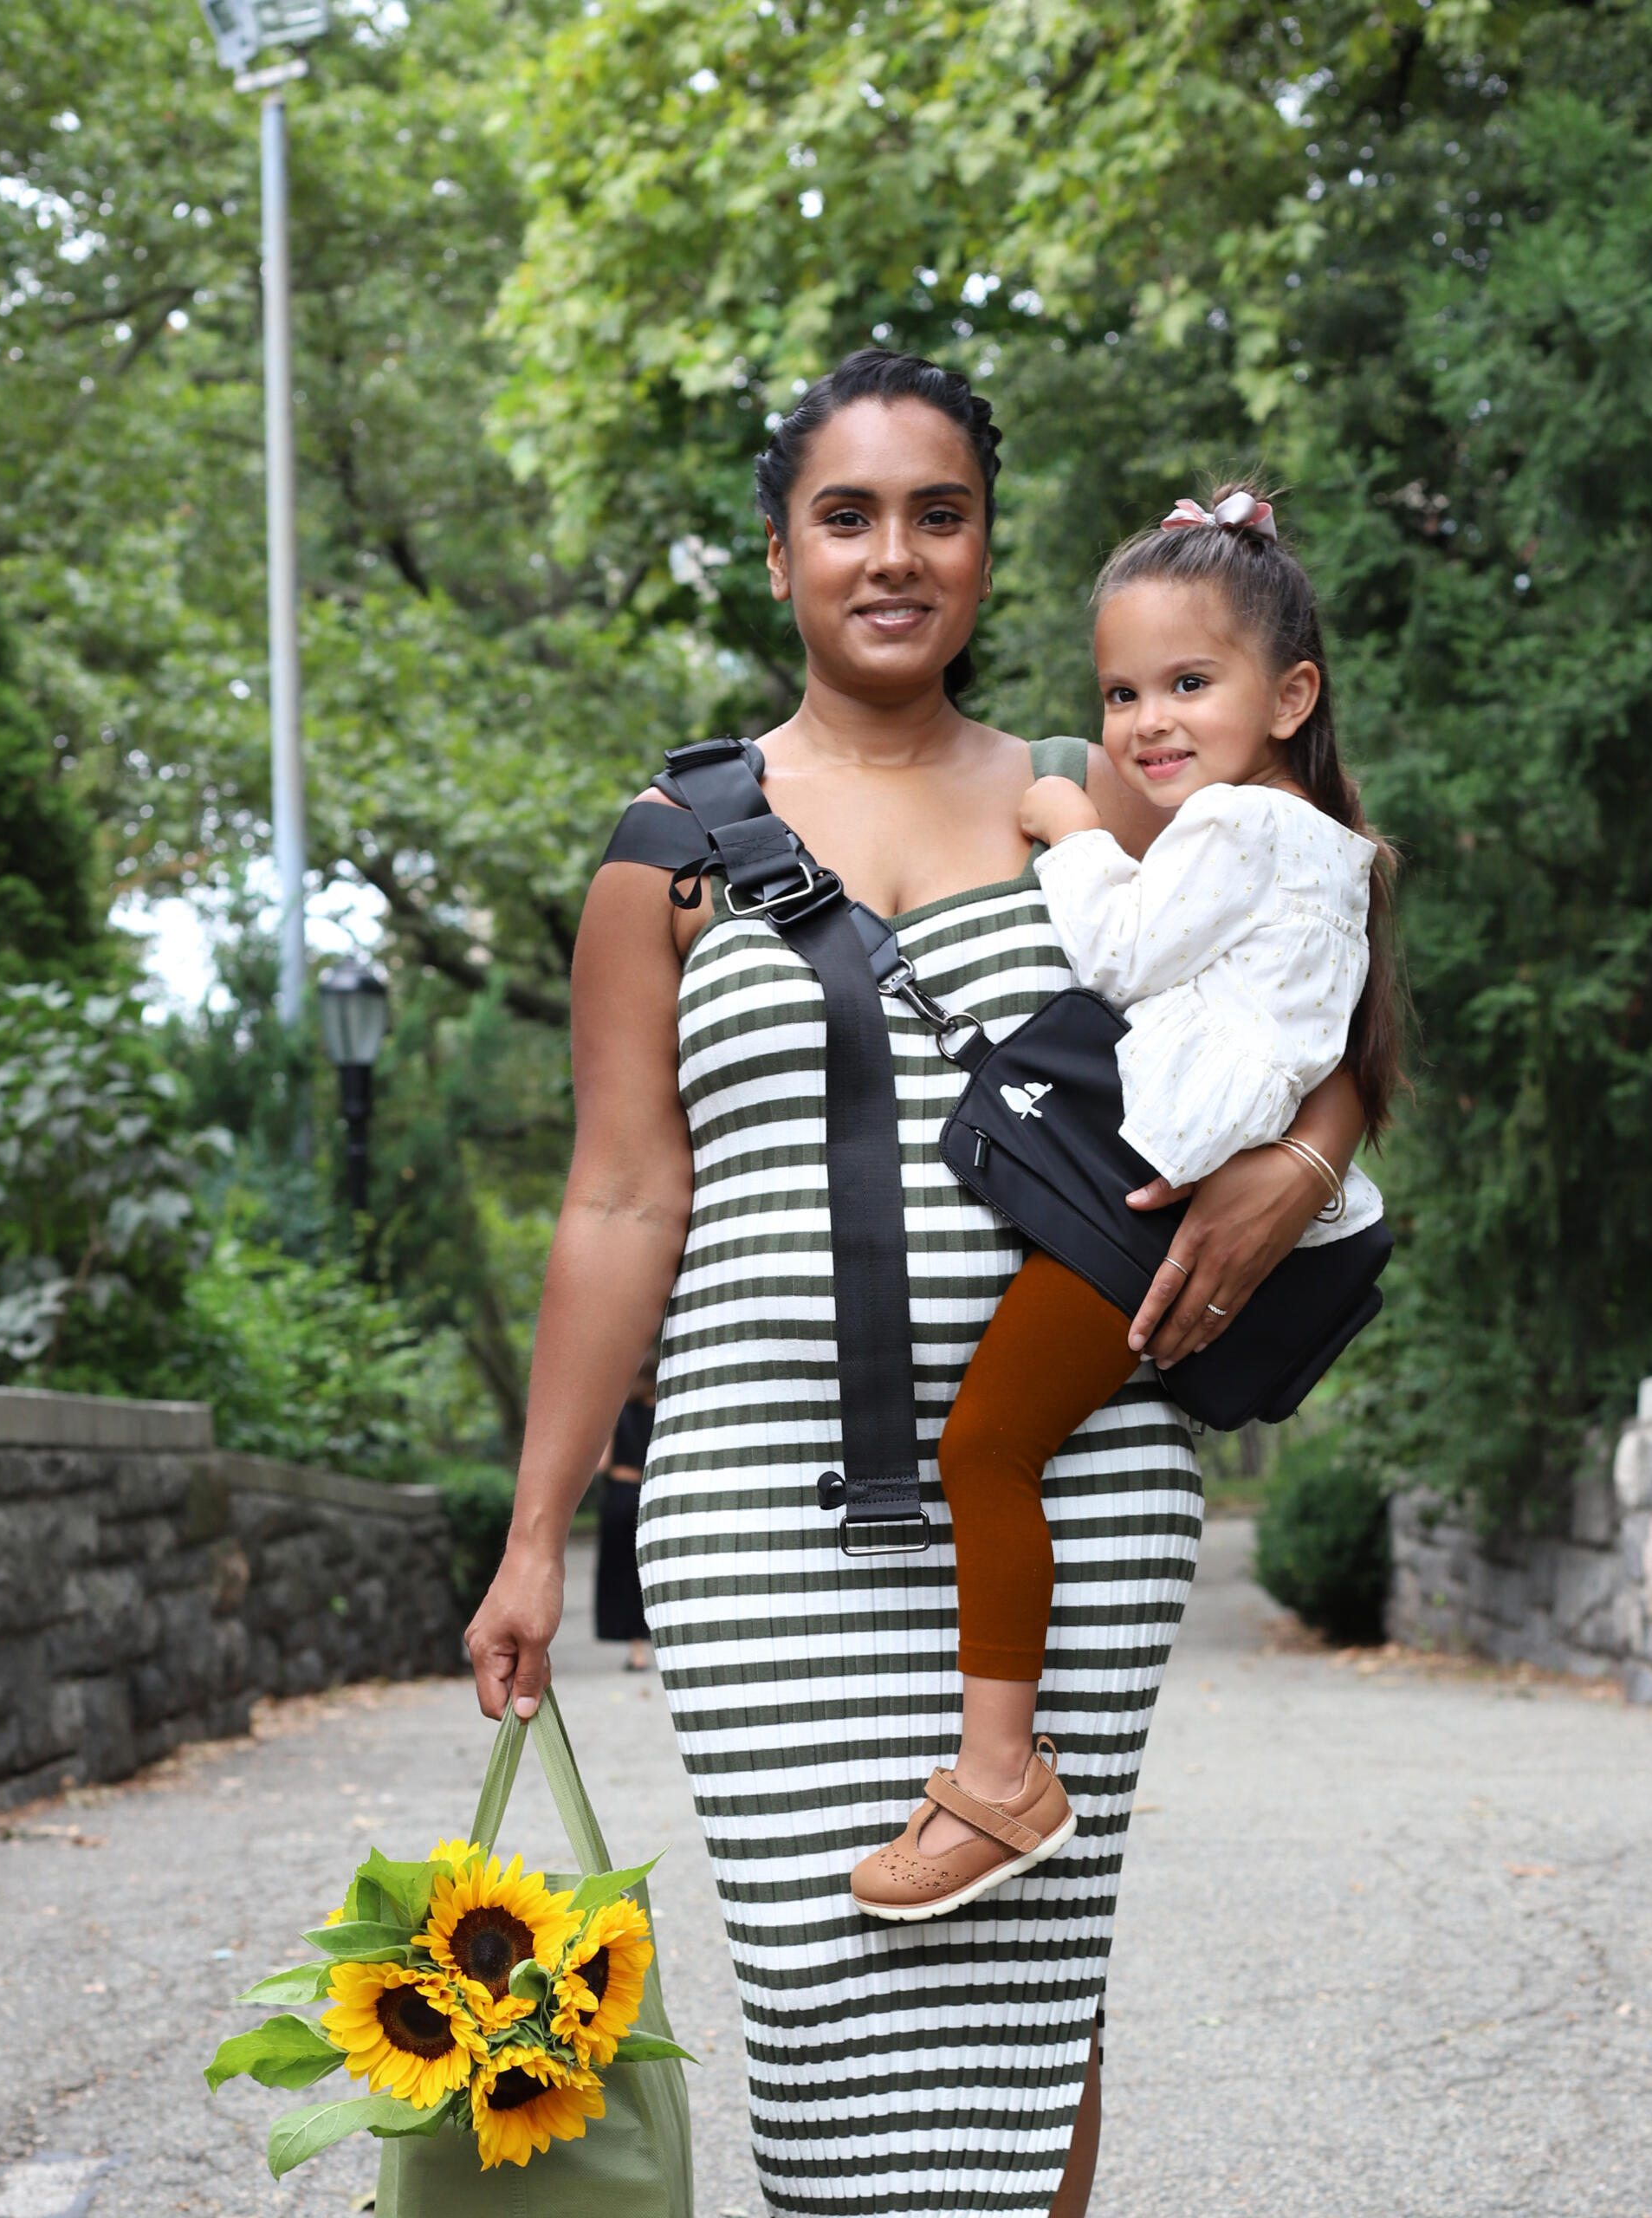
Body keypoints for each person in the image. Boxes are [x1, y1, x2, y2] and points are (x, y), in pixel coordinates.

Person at [463, 348, 1368, 2218]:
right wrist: (538, 1527)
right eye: (847, 513)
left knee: (1032, 2008)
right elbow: (622, 1195)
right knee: (816, 1994)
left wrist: (1301, 1158)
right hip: (748, 1499)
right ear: (779, 548)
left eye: (936, 514)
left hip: (1069, 1476)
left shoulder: (1097, 785)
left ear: (982, 544)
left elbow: (1301, 996)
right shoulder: (666, 850)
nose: (893, 553)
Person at [852, 486, 1401, 1920]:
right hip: (1182, 1186)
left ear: (1291, 694)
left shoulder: (1227, 831)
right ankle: (1000, 1762)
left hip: (1145, 1205)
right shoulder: (1321, 840)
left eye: (1186, 684)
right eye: (1120, 691)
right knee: (999, 1447)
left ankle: (997, 1775)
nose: (1146, 721)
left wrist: (1063, 824)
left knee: (982, 1449)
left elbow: (1119, 954)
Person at [593, 1356, 656, 1671]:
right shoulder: (665, 1413)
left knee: (622, 1572)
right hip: (652, 1496)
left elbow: (601, 1464)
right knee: (648, 1572)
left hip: (620, 1494)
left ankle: (636, 1651)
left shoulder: (616, 1415)